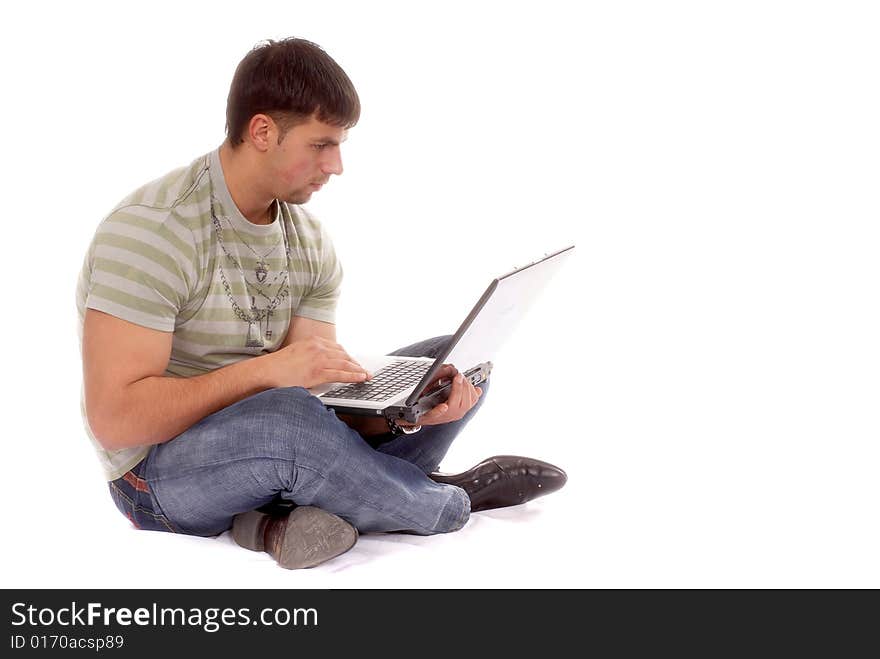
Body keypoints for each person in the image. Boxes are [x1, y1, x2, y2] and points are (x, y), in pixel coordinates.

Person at [76, 37, 567, 569]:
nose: (336, 165)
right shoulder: (153, 232)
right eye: (321, 144)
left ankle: (276, 518)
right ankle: (450, 502)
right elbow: (117, 420)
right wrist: (268, 374)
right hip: (157, 475)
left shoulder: (309, 241)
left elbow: (320, 402)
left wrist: (402, 417)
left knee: (450, 363)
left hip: (279, 438)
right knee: (285, 421)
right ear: (263, 131)